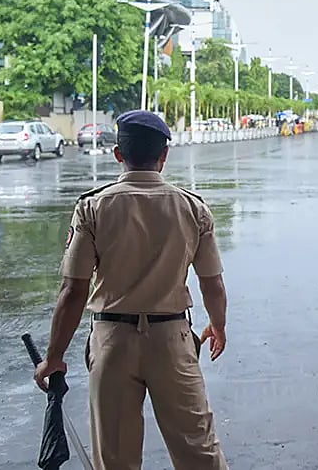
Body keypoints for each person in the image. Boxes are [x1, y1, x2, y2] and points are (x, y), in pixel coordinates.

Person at [33, 109, 230, 470]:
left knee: (116, 457)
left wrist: (54, 356)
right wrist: (218, 325)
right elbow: (211, 282)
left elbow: (73, 291)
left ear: (118, 154)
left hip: (112, 343)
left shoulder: (93, 207)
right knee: (199, 452)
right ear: (164, 155)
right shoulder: (192, 208)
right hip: (173, 340)